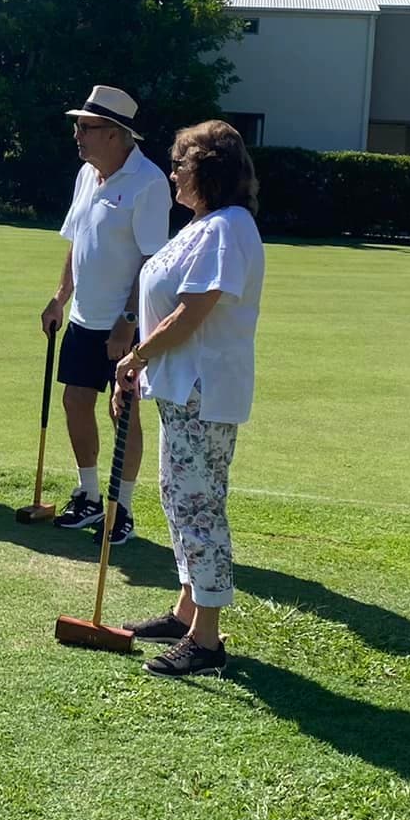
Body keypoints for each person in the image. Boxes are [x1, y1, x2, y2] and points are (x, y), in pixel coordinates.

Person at [112, 120, 265, 678]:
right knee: (180, 499)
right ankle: (186, 611)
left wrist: (135, 356)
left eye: (181, 163)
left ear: (210, 170)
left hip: (203, 390)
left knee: (199, 507)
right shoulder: (203, 225)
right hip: (181, 389)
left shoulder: (227, 228)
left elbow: (192, 311)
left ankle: (206, 638)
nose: (173, 171)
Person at [42, 86, 172, 547]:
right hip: (82, 318)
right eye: (77, 125)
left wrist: (129, 320)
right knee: (75, 402)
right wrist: (60, 297)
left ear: (116, 134)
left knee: (124, 414)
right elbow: (77, 240)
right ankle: (91, 495)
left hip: (124, 325)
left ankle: (123, 508)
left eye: (86, 126)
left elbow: (152, 262)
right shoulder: (86, 174)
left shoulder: (150, 182)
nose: (77, 134)